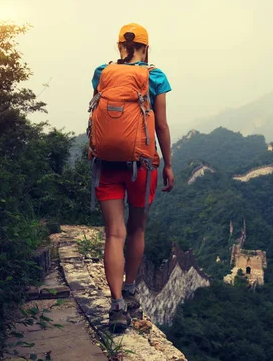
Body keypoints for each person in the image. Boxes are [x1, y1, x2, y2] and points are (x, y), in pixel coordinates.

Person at [90, 23, 175, 331]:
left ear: (119, 47)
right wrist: (167, 164)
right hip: (143, 166)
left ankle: (115, 305)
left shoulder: (102, 72)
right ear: (146, 48)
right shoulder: (155, 76)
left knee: (114, 233)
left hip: (107, 164)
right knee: (136, 229)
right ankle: (130, 290)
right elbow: (162, 126)